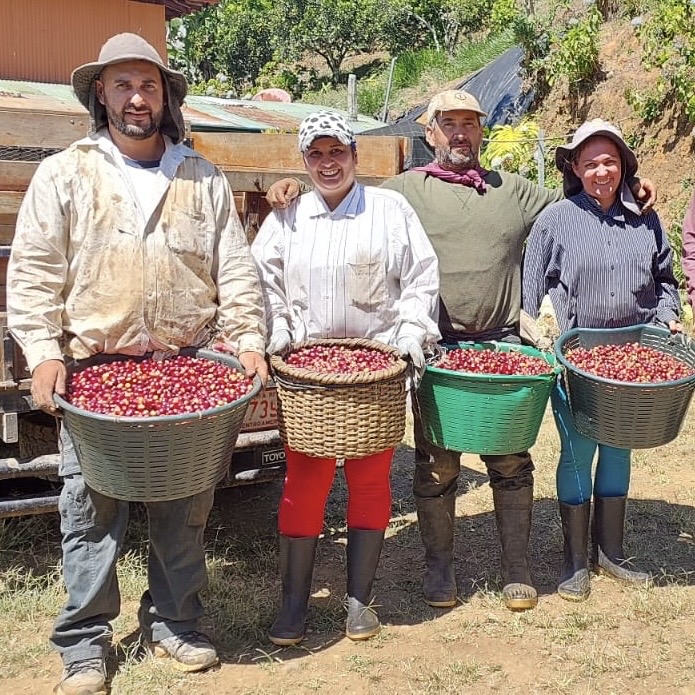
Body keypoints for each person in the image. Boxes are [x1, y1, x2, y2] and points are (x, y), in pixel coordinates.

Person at [265, 90, 657, 613]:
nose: (459, 133)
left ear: (482, 131)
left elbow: (578, 198)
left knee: (510, 458)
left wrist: (629, 183)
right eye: (447, 123)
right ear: (429, 133)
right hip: (437, 350)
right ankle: (439, 567)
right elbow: (342, 197)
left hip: (502, 346)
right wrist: (285, 188)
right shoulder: (404, 192)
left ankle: (516, 568)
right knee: (435, 464)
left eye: (469, 123)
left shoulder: (513, 191)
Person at [7, 33, 268, 695]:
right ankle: (85, 645)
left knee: (184, 507)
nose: (136, 97)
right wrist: (41, 355)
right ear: (101, 92)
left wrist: (248, 340)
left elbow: (235, 271)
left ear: (164, 96)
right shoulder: (67, 172)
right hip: (96, 372)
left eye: (148, 85)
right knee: (91, 511)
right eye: (122, 84)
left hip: (186, 370)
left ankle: (176, 622)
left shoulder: (199, 176)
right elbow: (34, 275)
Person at [251, 110, 440, 645]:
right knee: (305, 483)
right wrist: (281, 332)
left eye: (338, 153)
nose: (328, 163)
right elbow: (264, 281)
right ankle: (294, 604)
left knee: (370, 479)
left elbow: (421, 280)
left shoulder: (388, 210)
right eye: (317, 154)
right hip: (308, 375)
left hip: (373, 371)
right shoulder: (289, 216)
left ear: (356, 156)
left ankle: (359, 600)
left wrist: (407, 338)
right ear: (305, 161)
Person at [523, 118, 681, 602]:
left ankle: (609, 551)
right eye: (589, 163)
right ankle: (574, 560)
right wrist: (536, 338)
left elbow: (666, 281)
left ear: (625, 165)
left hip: (633, 356)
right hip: (576, 359)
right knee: (578, 449)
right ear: (573, 167)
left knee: (619, 446)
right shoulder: (556, 220)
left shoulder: (645, 218)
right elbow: (530, 295)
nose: (601, 171)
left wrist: (669, 317)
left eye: (610, 161)